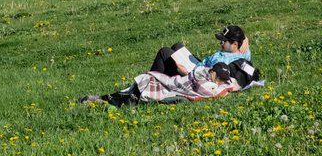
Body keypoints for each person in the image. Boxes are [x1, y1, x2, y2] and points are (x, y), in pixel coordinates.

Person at [81, 62, 235, 106]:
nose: (222, 83)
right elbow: (217, 90)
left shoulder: (201, 72)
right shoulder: (205, 82)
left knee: (128, 96)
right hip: (168, 86)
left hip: (167, 86)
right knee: (128, 96)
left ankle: (100, 100)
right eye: (221, 79)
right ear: (215, 75)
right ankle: (100, 100)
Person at [148, 25, 251, 77]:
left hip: (193, 75)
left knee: (164, 52)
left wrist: (187, 74)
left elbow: (211, 80)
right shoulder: (244, 53)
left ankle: (144, 86)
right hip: (199, 67)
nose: (220, 43)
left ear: (235, 44)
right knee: (177, 46)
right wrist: (245, 40)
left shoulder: (221, 62)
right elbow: (243, 38)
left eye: (223, 41)